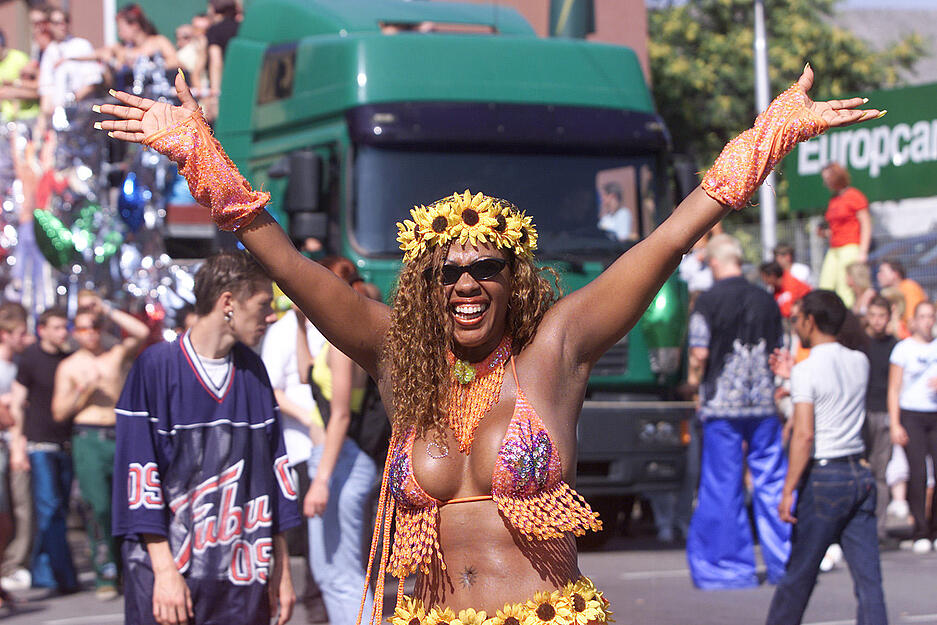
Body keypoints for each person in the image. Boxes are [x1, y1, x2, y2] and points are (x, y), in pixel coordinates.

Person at [98, 65, 880, 624]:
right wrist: (203, 158)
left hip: (543, 615)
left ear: (516, 278)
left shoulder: (556, 350)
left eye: (484, 268)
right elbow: (294, 268)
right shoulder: (399, 364)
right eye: (447, 272)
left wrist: (765, 139)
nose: (465, 283)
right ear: (426, 286)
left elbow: (667, 238)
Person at [112, 250, 299, 625]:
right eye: (263, 304)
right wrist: (164, 572)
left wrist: (282, 569)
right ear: (228, 302)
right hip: (171, 575)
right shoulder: (155, 367)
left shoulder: (253, 371)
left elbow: (272, 475)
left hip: (242, 577)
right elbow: (139, 478)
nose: (271, 316)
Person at [765, 290, 887, 625]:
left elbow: (804, 435)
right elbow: (834, 392)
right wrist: (796, 378)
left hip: (824, 476)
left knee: (799, 576)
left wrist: (788, 489)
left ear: (811, 321)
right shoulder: (859, 360)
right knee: (868, 581)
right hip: (859, 474)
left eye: (796, 318)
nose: (795, 324)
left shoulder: (807, 369)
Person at [686, 234, 790, 589]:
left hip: (722, 406)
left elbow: (700, 352)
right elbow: (780, 350)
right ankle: (786, 561)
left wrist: (696, 379)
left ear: (715, 262)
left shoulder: (707, 302)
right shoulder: (766, 299)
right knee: (773, 480)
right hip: (763, 403)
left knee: (722, 485)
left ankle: (726, 566)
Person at [50, 294, 149, 599]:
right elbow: (59, 412)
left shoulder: (115, 354)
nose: (89, 333)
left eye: (93, 327)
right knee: (99, 507)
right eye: (82, 329)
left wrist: (106, 308)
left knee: (129, 504)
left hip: (121, 434)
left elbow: (142, 333)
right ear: (74, 332)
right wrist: (84, 391)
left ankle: (127, 569)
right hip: (89, 438)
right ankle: (105, 570)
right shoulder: (69, 366)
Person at [300, 260, 381, 625]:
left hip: (340, 461)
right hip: (337, 460)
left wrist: (320, 480)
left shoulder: (344, 345)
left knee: (340, 574)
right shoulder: (337, 341)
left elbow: (342, 414)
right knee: (331, 572)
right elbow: (308, 377)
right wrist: (299, 323)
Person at [260, 300, 328, 623]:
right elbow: (271, 389)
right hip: (299, 449)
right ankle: (316, 608)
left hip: (328, 448)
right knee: (311, 538)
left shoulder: (327, 323)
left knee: (328, 536)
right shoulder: (280, 331)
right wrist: (308, 416)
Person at [8, 308, 79, 594]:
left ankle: (42, 571)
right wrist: (18, 446)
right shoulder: (30, 359)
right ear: (43, 329)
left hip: (65, 444)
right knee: (49, 509)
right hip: (39, 446)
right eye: (57, 327)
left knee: (57, 509)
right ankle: (65, 577)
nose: (63, 333)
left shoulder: (68, 359)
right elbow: (16, 404)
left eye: (65, 327)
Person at [887, 300, 937, 554]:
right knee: (917, 473)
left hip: (934, 414)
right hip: (912, 414)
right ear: (914, 320)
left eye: (932, 316)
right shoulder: (903, 349)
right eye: (923, 316)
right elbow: (894, 388)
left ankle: (935, 528)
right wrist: (895, 423)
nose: (928, 321)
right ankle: (921, 530)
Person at [0, 303, 32, 596]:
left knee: (17, 510)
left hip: (15, 443)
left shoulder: (20, 363)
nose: (25, 338)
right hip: (5, 442)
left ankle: (10, 565)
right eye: (20, 333)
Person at [865, 295, 897, 544]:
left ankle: (879, 529)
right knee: (861, 471)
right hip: (861, 414)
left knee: (881, 474)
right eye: (873, 315)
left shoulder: (895, 346)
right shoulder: (859, 344)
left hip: (884, 414)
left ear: (888, 318)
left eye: (881, 316)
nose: (877, 321)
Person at [818, 162, 870, 308]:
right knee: (825, 284)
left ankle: (846, 319)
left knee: (845, 287)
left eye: (827, 178)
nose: (825, 182)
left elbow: (866, 224)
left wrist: (863, 252)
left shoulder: (854, 196)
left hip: (850, 246)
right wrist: (825, 233)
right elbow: (836, 226)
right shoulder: (834, 199)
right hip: (834, 247)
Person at [37, 7, 102, 115]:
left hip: (82, 113)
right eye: (57, 23)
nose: (62, 26)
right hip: (59, 117)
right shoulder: (49, 51)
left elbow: (92, 82)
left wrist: (70, 101)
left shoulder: (81, 45)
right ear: (49, 25)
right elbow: (46, 89)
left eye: (65, 21)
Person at [0, 30, 39, 122]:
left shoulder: (19, 58)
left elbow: (36, 90)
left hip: (27, 116)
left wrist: (13, 87)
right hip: (6, 119)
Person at [877, 258, 926, 331]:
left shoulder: (908, 288)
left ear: (895, 274)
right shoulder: (892, 292)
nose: (878, 275)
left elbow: (911, 322)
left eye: (882, 272)